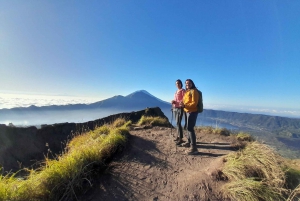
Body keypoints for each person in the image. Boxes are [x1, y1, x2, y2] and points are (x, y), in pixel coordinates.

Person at [179, 79, 199, 155]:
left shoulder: (194, 91)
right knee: (188, 127)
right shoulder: (187, 92)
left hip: (192, 112)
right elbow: (186, 101)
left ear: (192, 83)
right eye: (186, 83)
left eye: (189, 83)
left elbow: (194, 103)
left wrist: (185, 105)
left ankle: (194, 148)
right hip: (187, 111)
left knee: (190, 128)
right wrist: (182, 103)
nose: (188, 84)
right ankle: (189, 142)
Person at [171, 79, 186, 145]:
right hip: (175, 108)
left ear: (181, 84)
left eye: (179, 83)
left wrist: (178, 102)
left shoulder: (183, 90)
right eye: (177, 83)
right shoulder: (176, 91)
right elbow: (176, 99)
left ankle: (180, 138)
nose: (178, 84)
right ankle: (178, 136)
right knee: (177, 123)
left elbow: (184, 99)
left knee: (178, 122)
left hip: (180, 108)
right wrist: (173, 102)